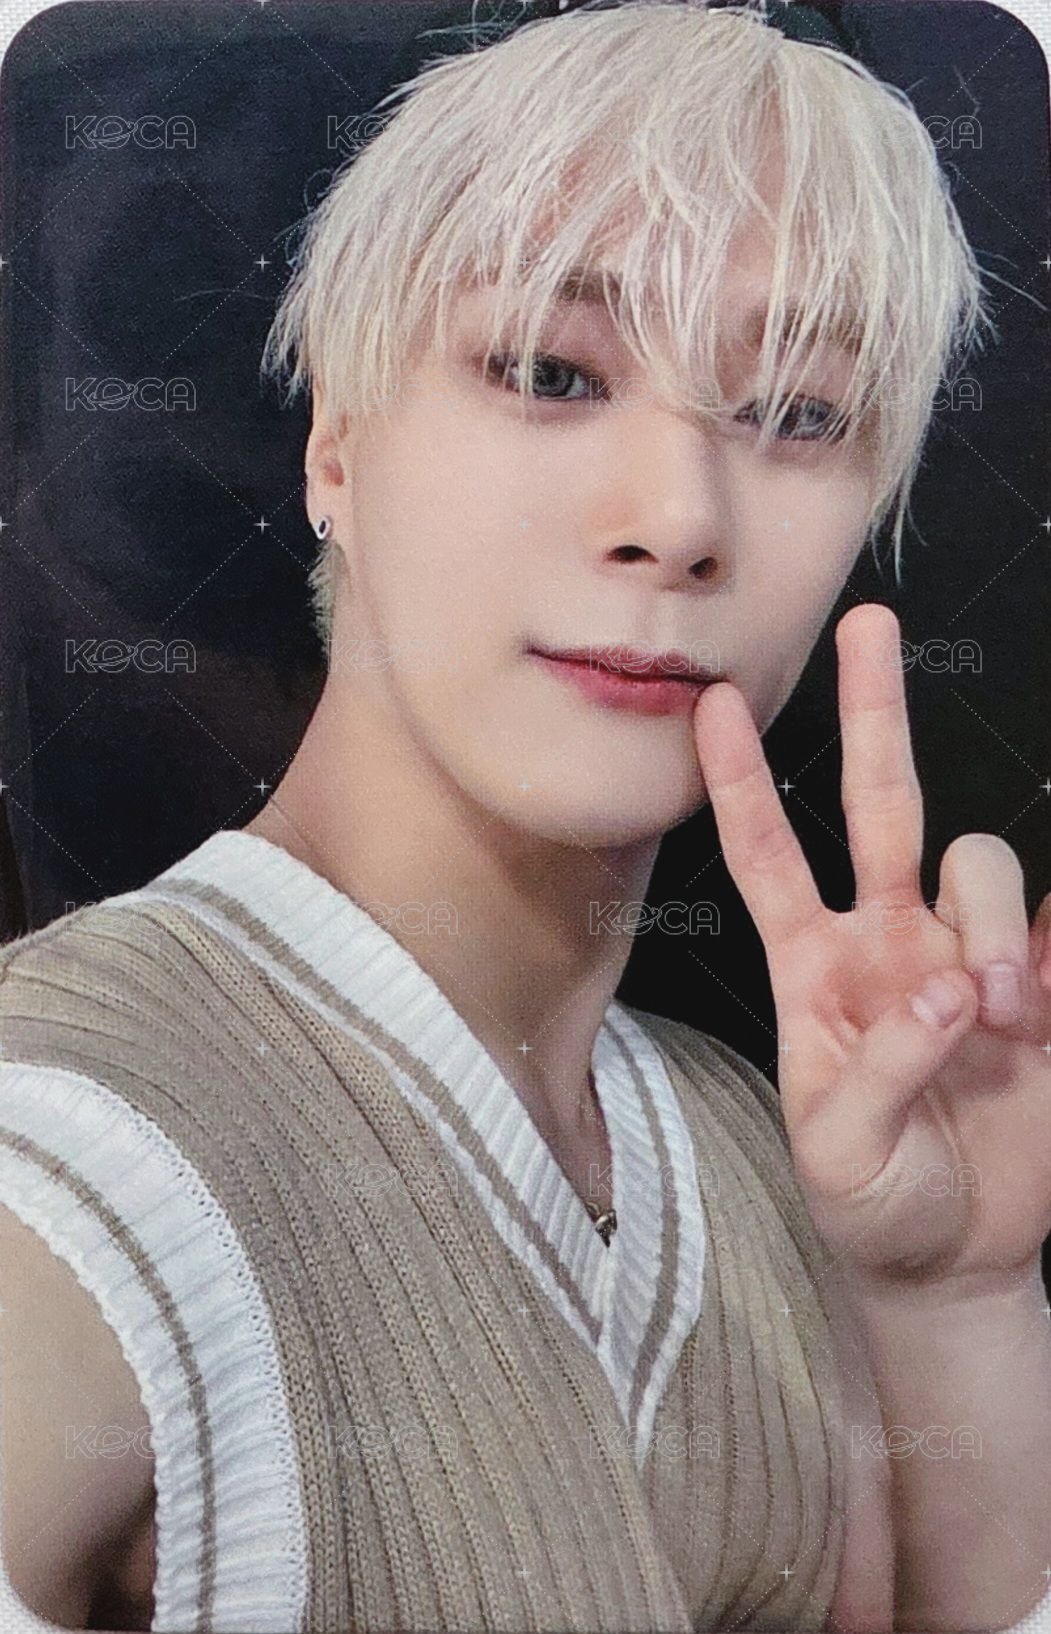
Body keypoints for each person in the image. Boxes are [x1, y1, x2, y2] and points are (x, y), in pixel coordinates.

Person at [2, 1, 1050, 1630]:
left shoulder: (770, 1142)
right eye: (551, 369)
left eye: (797, 413)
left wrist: (957, 1294)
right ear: (335, 444)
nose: (680, 517)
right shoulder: (73, 1138)